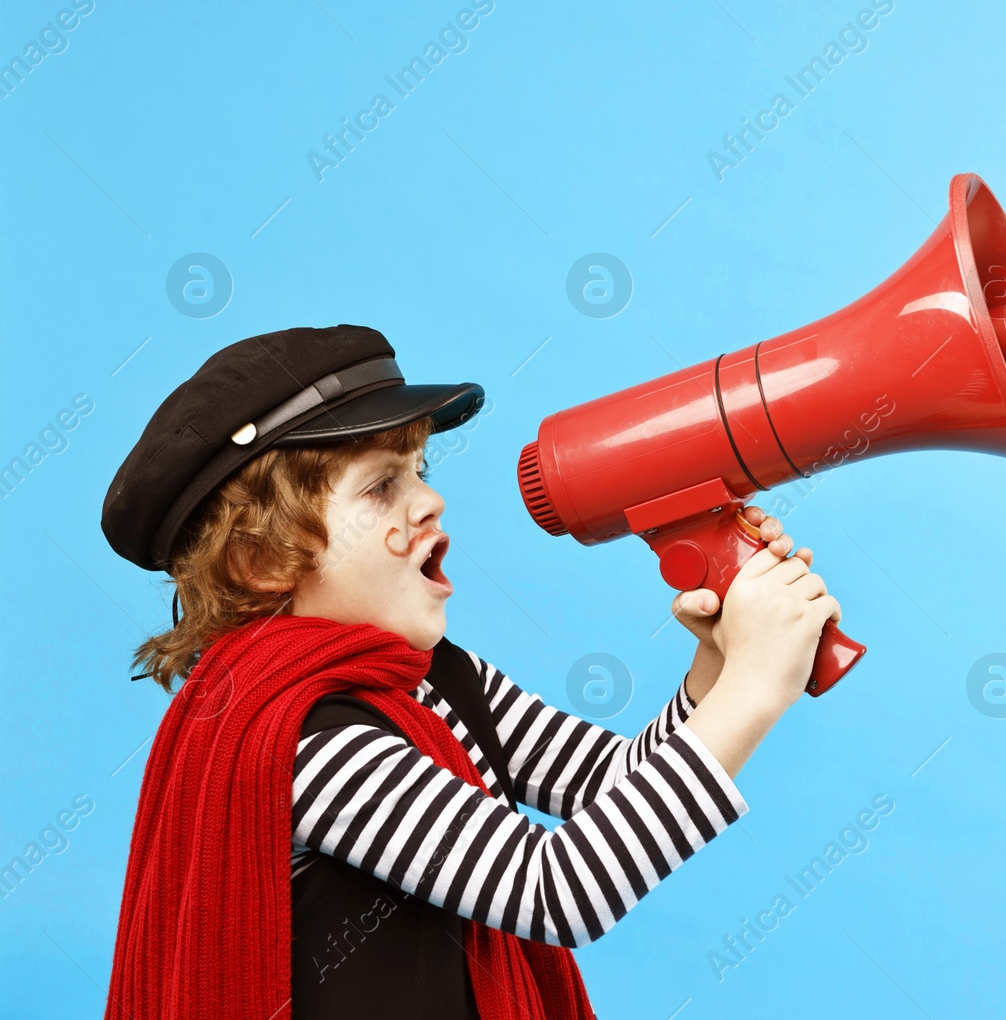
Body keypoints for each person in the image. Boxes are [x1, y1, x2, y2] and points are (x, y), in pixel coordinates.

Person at [98, 324, 842, 1019]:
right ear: (262, 559)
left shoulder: (438, 678)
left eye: (417, 469)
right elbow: (557, 888)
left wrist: (714, 664)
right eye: (381, 485)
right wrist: (754, 684)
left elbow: (611, 785)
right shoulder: (307, 744)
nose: (430, 498)